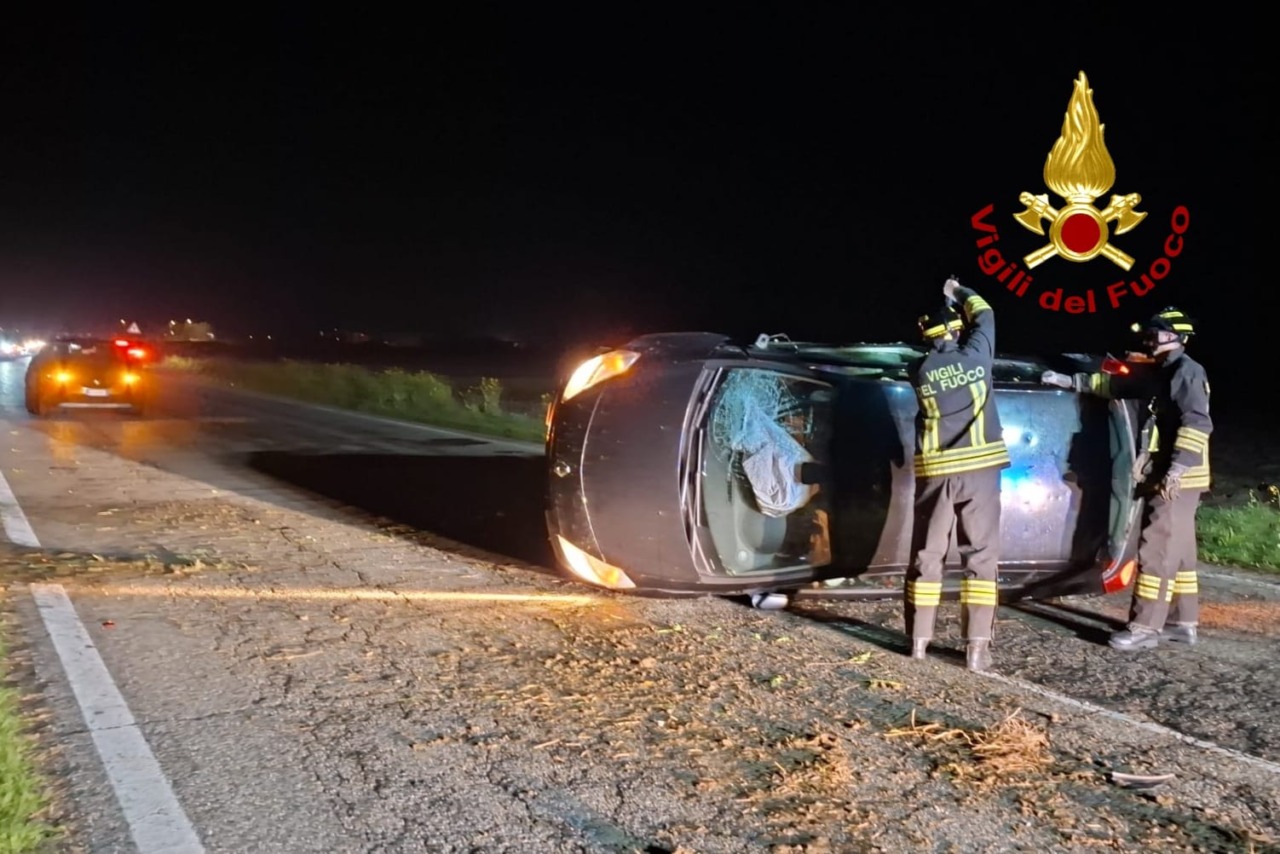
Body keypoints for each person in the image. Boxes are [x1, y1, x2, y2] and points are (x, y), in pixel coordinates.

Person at [1041, 306, 1211, 651]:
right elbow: (1120, 385)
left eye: (1157, 333)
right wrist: (1070, 381)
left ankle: (1145, 628)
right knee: (1179, 550)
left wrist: (1177, 469)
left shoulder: (1186, 372)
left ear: (1176, 336)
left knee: (1156, 547)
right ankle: (1182, 622)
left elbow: (1197, 423)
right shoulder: (1164, 369)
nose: (1149, 338)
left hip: (1177, 476)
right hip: (1175, 473)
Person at [905, 276, 1010, 672]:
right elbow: (986, 316)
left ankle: (918, 642)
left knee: (928, 556)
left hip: (935, 475)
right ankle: (976, 651)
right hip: (980, 472)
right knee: (980, 558)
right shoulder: (976, 358)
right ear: (954, 330)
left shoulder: (919, 370)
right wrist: (958, 292)